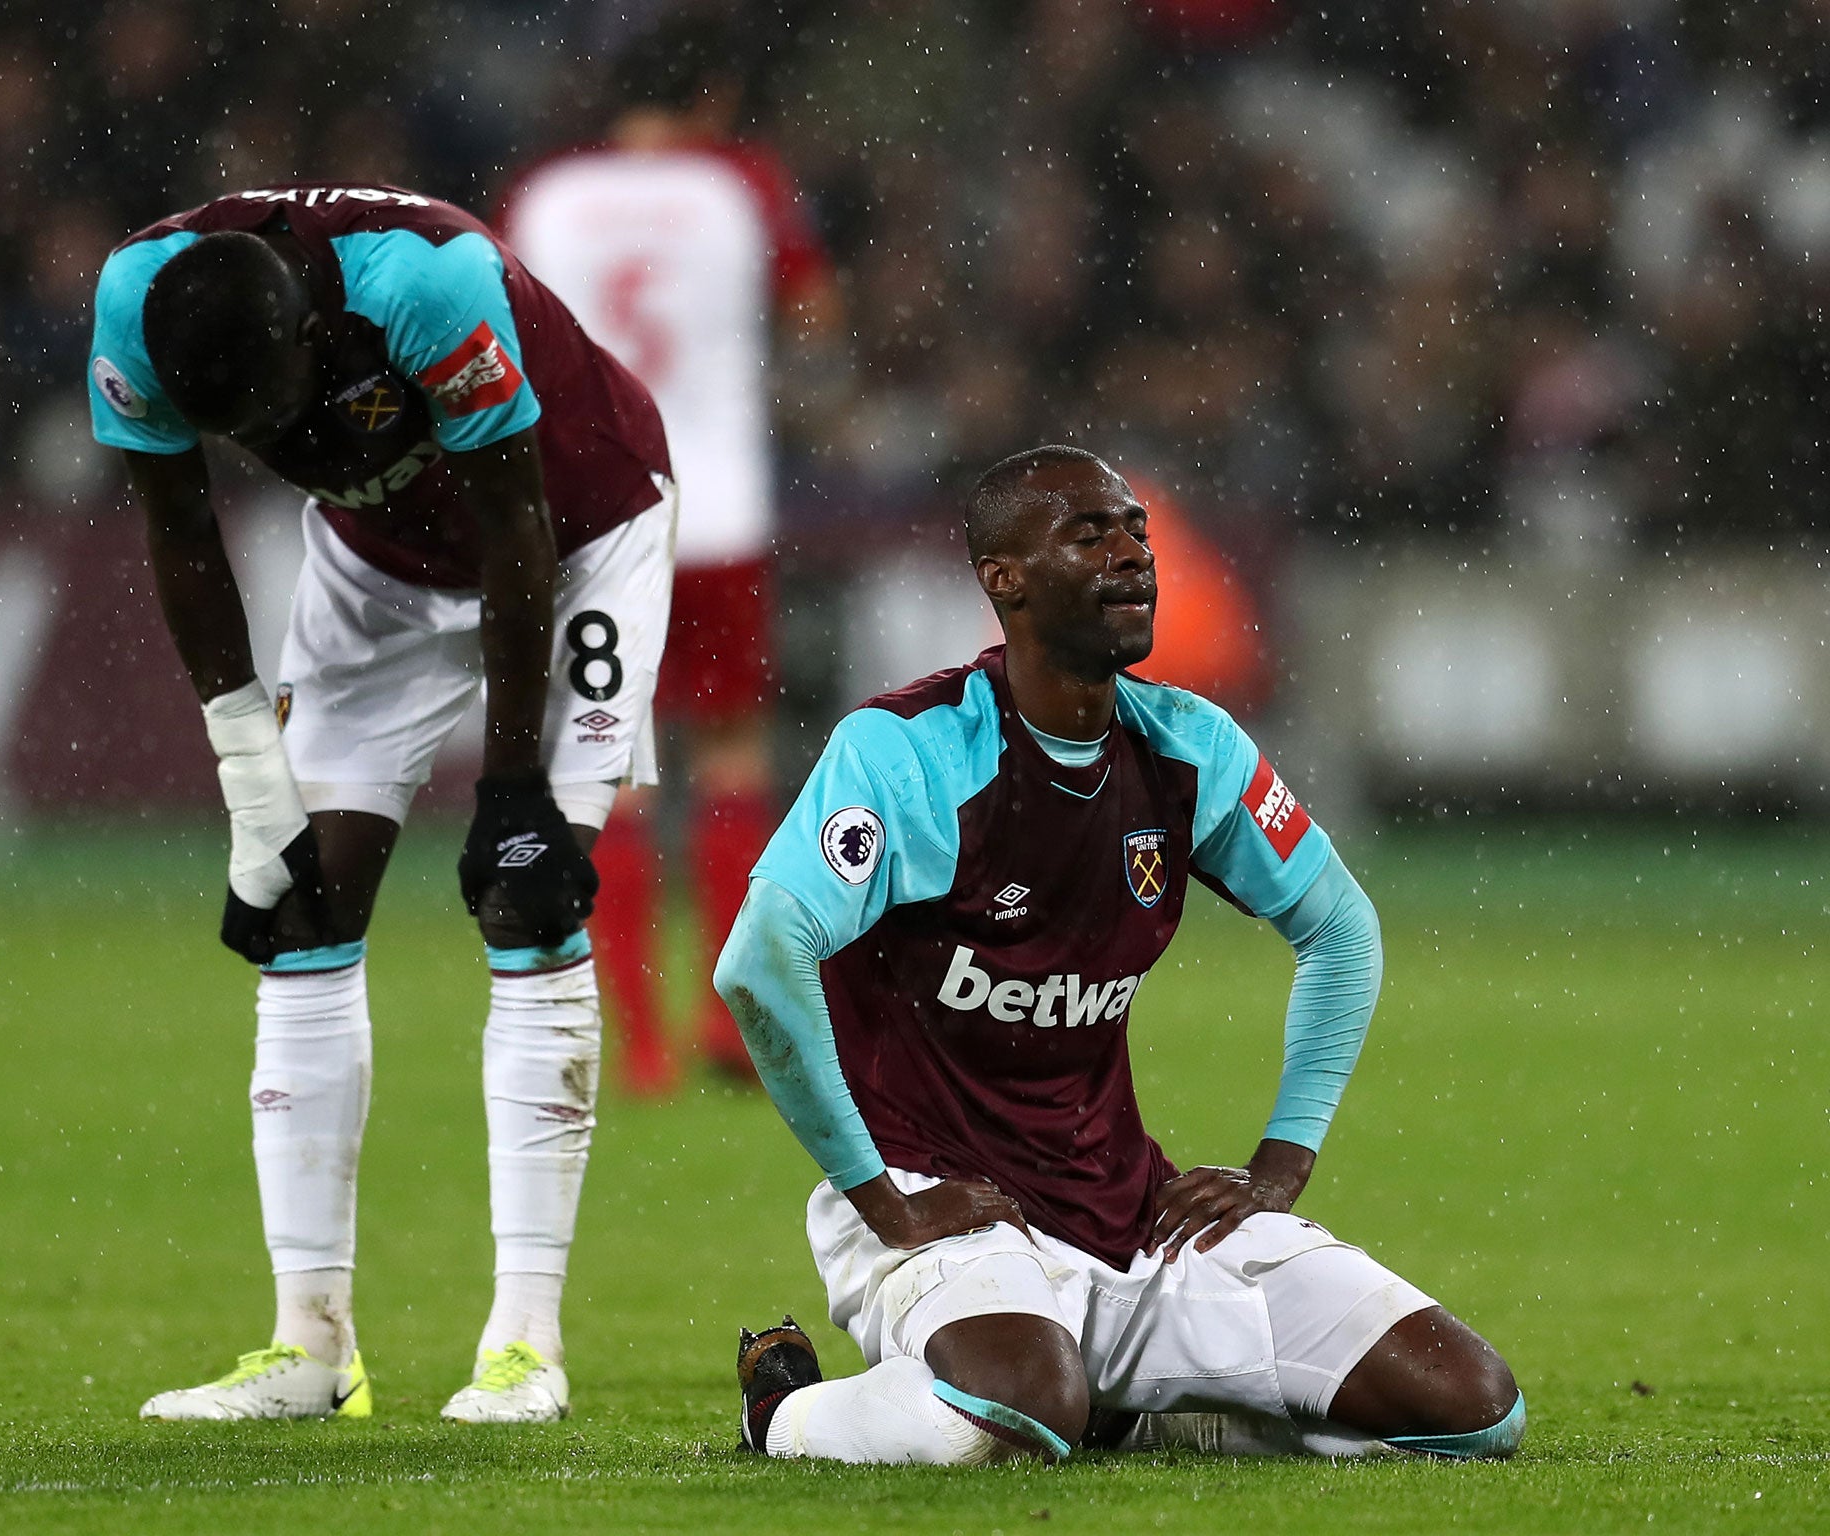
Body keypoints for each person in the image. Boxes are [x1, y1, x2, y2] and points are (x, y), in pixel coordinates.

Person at [717, 446, 1524, 1465]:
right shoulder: (906, 752)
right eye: (1088, 533)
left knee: (1467, 1409)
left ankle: (1113, 1405)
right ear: (1000, 578)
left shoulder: (1189, 749)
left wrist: (1281, 1163)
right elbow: (759, 957)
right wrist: (879, 1196)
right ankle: (781, 1411)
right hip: (946, 1211)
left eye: (1135, 532)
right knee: (1006, 1421)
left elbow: (1341, 930)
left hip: (1127, 1210)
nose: (1130, 556)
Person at [85, 180, 673, 1424]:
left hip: (577, 538)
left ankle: (525, 1345)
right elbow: (181, 534)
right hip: (377, 568)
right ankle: (309, 1348)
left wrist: (511, 785)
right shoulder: (132, 306)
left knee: (529, 898)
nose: (272, 446)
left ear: (313, 336)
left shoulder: (426, 279)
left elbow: (517, 526)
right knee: (304, 912)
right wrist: (254, 785)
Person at [502, 21, 840, 1094]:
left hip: (595, 513)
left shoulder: (547, 197)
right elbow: (818, 315)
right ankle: (730, 1025)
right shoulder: (740, 186)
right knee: (734, 755)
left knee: (616, 770)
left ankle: (637, 1044)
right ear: (713, 92)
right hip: (720, 511)